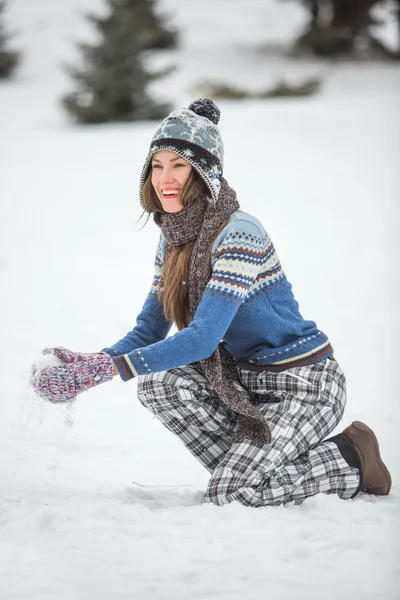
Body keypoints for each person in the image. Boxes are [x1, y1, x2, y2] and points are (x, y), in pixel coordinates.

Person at [30, 98, 391, 507]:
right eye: (157, 165)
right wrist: (90, 365)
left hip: (303, 384)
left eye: (179, 166)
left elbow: (202, 339)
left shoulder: (239, 233)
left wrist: (110, 369)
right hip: (243, 381)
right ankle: (255, 470)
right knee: (158, 383)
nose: (164, 178)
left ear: (205, 173)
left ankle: (351, 461)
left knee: (232, 492)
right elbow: (148, 331)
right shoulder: (172, 239)